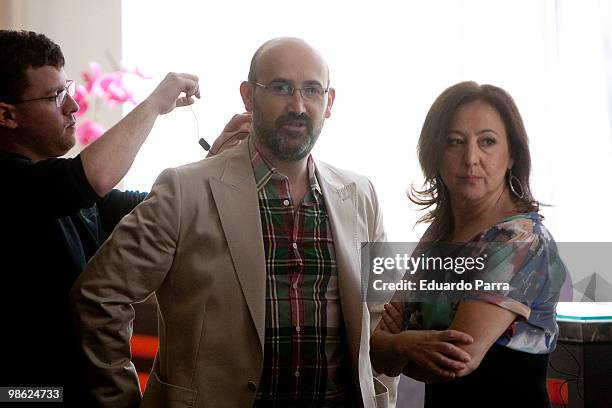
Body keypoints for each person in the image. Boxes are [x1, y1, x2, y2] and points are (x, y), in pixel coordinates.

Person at [71, 37, 397, 407]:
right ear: (247, 96)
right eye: (280, 88)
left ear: (330, 102)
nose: (298, 105)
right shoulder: (185, 190)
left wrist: (379, 396)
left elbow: (382, 317)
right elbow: (100, 296)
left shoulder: (361, 194)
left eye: (311, 90)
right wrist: (120, 401)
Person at [0, 29, 203, 405]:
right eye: (55, 97)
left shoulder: (61, 189)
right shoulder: (15, 184)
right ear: (7, 115)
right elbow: (87, 179)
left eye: (69, 90)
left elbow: (157, 205)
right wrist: (156, 103)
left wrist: (216, 163)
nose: (73, 106)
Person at [370, 82, 566, 407]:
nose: (470, 158)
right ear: (435, 153)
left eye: (487, 142)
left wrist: (400, 343)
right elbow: (378, 355)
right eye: (455, 142)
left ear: (512, 154)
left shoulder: (520, 240)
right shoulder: (437, 234)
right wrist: (402, 347)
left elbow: (456, 361)